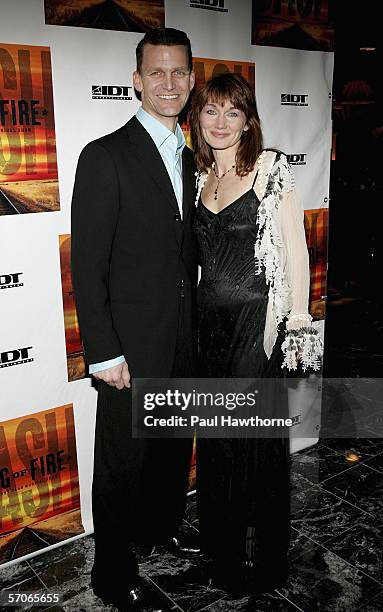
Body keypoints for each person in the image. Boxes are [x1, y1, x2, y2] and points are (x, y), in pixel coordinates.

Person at [71, 28, 197, 611]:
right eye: (157, 73)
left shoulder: (194, 159)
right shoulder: (105, 155)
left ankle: (160, 528)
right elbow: (87, 265)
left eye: (179, 73)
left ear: (192, 81)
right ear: (137, 81)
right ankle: (111, 570)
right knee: (122, 463)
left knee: (172, 448)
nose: (169, 84)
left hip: (183, 339)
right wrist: (103, 351)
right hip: (128, 346)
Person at [190, 73, 322, 595]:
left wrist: (296, 321)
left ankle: (261, 560)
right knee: (218, 444)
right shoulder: (198, 177)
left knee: (251, 442)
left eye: (232, 113)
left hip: (256, 326)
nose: (220, 123)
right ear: (197, 118)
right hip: (210, 327)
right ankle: (222, 551)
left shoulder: (270, 171)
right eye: (210, 111)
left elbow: (296, 250)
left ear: (248, 120)